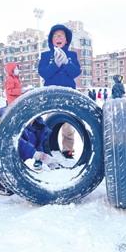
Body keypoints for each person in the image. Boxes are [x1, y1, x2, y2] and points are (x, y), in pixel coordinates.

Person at [0, 89, 59, 196]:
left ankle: (10, 175)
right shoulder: (9, 122)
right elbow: (15, 141)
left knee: (20, 157)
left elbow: (39, 143)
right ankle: (3, 182)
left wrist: (47, 160)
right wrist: (37, 155)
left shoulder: (37, 126)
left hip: (7, 157)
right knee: (10, 148)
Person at [38, 24, 81, 159]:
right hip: (51, 95)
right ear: (51, 40)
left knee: (68, 125)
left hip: (68, 94)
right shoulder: (45, 55)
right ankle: (48, 149)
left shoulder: (72, 55)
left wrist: (67, 63)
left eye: (61, 35)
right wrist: (55, 64)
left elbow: (76, 72)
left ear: (66, 40)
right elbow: (43, 73)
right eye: (55, 35)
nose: (58, 37)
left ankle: (67, 151)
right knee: (50, 123)